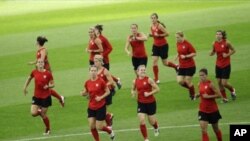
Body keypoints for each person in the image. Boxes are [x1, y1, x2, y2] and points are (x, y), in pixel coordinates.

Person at [28, 36, 65, 107]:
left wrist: (39, 66)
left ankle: (60, 98)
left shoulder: (43, 50)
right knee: (44, 87)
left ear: (38, 42)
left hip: (45, 69)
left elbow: (41, 61)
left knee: (46, 87)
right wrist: (33, 63)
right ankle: (60, 98)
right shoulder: (40, 49)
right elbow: (38, 60)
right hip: (40, 69)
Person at [81, 65, 115, 141]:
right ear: (89, 72)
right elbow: (86, 92)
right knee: (92, 126)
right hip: (91, 107)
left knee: (99, 127)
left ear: (97, 72)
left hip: (100, 106)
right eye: (91, 71)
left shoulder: (101, 81)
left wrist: (100, 98)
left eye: (94, 71)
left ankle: (110, 131)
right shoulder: (87, 82)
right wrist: (83, 93)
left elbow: (108, 92)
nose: (93, 72)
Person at [23, 59, 54, 135]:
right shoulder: (34, 72)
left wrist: (48, 86)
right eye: (39, 62)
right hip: (36, 96)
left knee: (43, 115)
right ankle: (39, 112)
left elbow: (53, 84)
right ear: (36, 64)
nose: (40, 63)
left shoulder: (48, 73)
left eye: (41, 62)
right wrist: (25, 87)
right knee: (33, 113)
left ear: (43, 64)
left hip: (46, 97)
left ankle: (48, 129)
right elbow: (29, 78)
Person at [131, 65, 160, 141]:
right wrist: (133, 93)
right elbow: (133, 88)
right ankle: (146, 139)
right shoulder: (135, 81)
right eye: (141, 70)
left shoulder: (149, 80)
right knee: (142, 120)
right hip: (141, 103)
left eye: (144, 70)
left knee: (152, 121)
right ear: (137, 72)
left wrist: (149, 93)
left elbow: (157, 89)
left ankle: (156, 127)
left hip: (151, 103)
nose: (143, 71)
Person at [148, 13, 178, 83]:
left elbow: (167, 33)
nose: (153, 19)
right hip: (155, 46)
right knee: (154, 61)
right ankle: (156, 79)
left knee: (165, 63)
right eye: (152, 18)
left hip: (163, 46)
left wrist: (159, 35)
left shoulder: (160, 26)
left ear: (157, 19)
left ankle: (176, 67)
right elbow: (154, 35)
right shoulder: (151, 26)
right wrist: (151, 35)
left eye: (154, 18)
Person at [210, 30, 236, 103]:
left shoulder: (227, 42)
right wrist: (211, 53)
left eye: (219, 34)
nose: (218, 35)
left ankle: (232, 90)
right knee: (219, 82)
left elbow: (234, 50)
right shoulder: (214, 43)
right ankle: (225, 98)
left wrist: (227, 55)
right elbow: (213, 51)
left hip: (226, 65)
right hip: (218, 65)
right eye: (217, 34)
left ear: (222, 35)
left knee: (224, 83)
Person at [196, 68, 223, 141]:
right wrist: (198, 95)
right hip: (203, 110)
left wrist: (208, 96)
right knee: (203, 130)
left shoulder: (211, 84)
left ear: (206, 75)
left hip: (213, 110)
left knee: (216, 129)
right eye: (200, 75)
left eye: (203, 75)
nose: (201, 77)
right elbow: (202, 93)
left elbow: (219, 95)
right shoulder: (199, 84)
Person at [94, 24, 122, 89]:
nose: (94, 31)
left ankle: (113, 86)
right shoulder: (95, 38)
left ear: (99, 30)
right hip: (97, 60)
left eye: (95, 29)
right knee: (101, 74)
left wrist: (103, 55)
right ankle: (116, 81)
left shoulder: (103, 39)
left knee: (104, 74)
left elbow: (110, 48)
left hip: (104, 60)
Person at [94, 55, 116, 129]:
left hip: (106, 93)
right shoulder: (94, 71)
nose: (95, 63)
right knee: (101, 110)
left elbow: (112, 81)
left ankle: (109, 125)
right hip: (99, 93)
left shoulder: (105, 71)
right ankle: (109, 119)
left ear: (100, 62)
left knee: (103, 110)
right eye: (94, 61)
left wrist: (103, 86)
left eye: (96, 61)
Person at [175, 31, 196, 100]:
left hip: (190, 66)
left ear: (182, 37)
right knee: (180, 81)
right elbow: (179, 52)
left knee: (187, 81)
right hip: (182, 66)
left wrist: (186, 56)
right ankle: (191, 88)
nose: (176, 39)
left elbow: (194, 53)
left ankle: (192, 95)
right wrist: (177, 56)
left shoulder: (187, 44)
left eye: (178, 37)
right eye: (176, 37)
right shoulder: (177, 43)